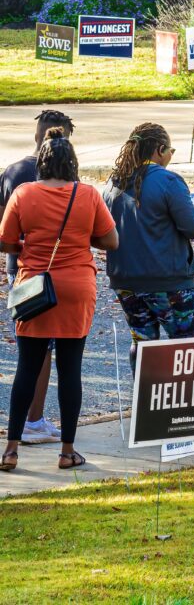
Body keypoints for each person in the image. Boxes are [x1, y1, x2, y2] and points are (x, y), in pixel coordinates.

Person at [0, 128, 118, 471]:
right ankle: (67, 452)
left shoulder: (24, 194)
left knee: (26, 369)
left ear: (42, 162)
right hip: (77, 288)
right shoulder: (88, 194)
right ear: (73, 163)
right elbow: (111, 241)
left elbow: (5, 241)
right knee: (70, 371)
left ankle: (10, 450)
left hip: (34, 288)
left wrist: (27, 248)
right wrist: (81, 240)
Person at [0, 110, 75, 444]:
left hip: (21, 269)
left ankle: (28, 424)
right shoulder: (66, 179)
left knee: (30, 351)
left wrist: (20, 247)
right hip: (57, 269)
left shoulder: (12, 172)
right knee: (49, 351)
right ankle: (35, 419)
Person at [104, 123, 194, 370]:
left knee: (142, 343)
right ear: (159, 150)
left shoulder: (114, 182)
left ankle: (145, 402)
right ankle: (181, 405)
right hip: (167, 281)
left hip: (126, 281)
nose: (171, 156)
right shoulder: (168, 180)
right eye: (171, 150)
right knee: (185, 348)